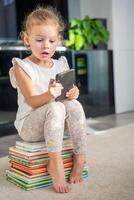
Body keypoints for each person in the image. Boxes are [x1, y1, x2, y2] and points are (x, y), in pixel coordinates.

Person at [9, 6, 87, 193]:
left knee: (73, 104)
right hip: (30, 126)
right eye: (39, 40)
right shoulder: (22, 67)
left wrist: (73, 93)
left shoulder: (61, 63)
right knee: (56, 107)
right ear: (27, 39)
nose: (46, 46)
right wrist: (50, 95)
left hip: (55, 124)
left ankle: (80, 157)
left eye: (52, 40)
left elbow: (68, 96)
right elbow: (33, 101)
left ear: (58, 40)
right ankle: (56, 164)